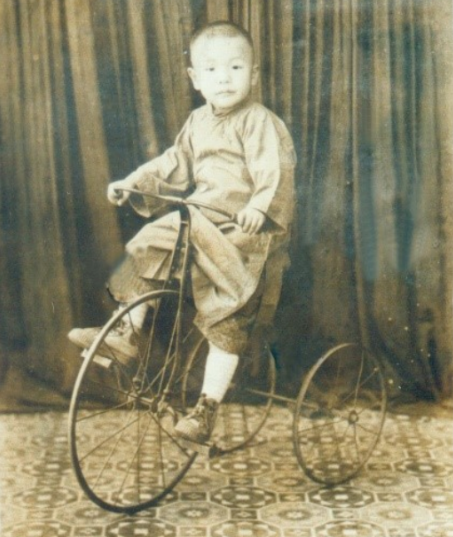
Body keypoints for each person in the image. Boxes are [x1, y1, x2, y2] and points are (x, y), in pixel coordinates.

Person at [69, 20, 296, 449]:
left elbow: (274, 173)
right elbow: (172, 164)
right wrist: (132, 183)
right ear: (195, 79)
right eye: (211, 70)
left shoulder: (260, 122)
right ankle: (127, 335)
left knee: (227, 317)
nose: (224, 78)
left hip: (242, 235)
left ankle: (206, 409)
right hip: (200, 221)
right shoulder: (197, 122)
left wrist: (258, 208)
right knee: (148, 241)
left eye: (235, 67)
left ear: (254, 74)